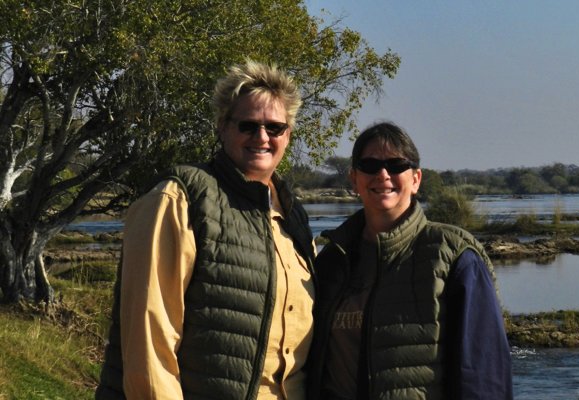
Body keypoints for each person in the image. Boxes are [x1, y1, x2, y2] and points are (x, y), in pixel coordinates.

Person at [96, 60, 316, 400]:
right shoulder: (180, 199)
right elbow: (150, 341)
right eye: (248, 125)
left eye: (275, 128)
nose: (262, 137)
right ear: (222, 126)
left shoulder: (294, 216)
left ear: (288, 135)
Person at [307, 122, 513, 399]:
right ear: (354, 179)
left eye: (396, 165)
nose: (383, 175)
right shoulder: (332, 262)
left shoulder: (453, 255)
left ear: (416, 179)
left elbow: (483, 374)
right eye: (369, 165)